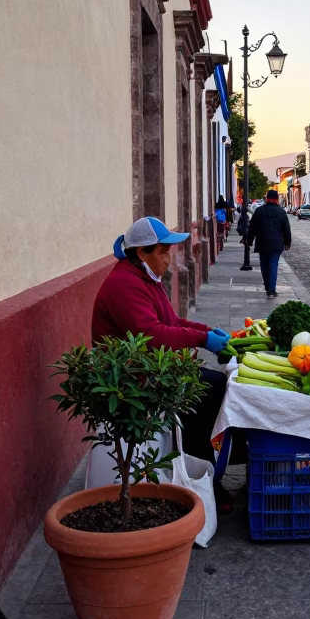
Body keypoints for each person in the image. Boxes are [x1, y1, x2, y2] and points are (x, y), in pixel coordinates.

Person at [91, 216, 236, 509]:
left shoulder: (146, 278)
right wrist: (201, 341)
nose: (168, 257)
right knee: (205, 391)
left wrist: (205, 331)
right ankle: (201, 480)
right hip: (132, 378)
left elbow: (171, 320)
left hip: (154, 367)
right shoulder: (124, 284)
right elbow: (151, 334)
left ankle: (205, 470)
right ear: (141, 253)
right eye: (162, 251)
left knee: (217, 382)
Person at [243, 189, 291, 298]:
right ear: (277, 199)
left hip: (262, 242)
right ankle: (272, 290)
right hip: (276, 243)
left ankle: (267, 286)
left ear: (266, 198)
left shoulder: (259, 211)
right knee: (273, 264)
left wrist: (249, 241)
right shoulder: (281, 212)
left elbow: (252, 227)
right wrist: (288, 242)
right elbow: (286, 229)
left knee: (264, 265)